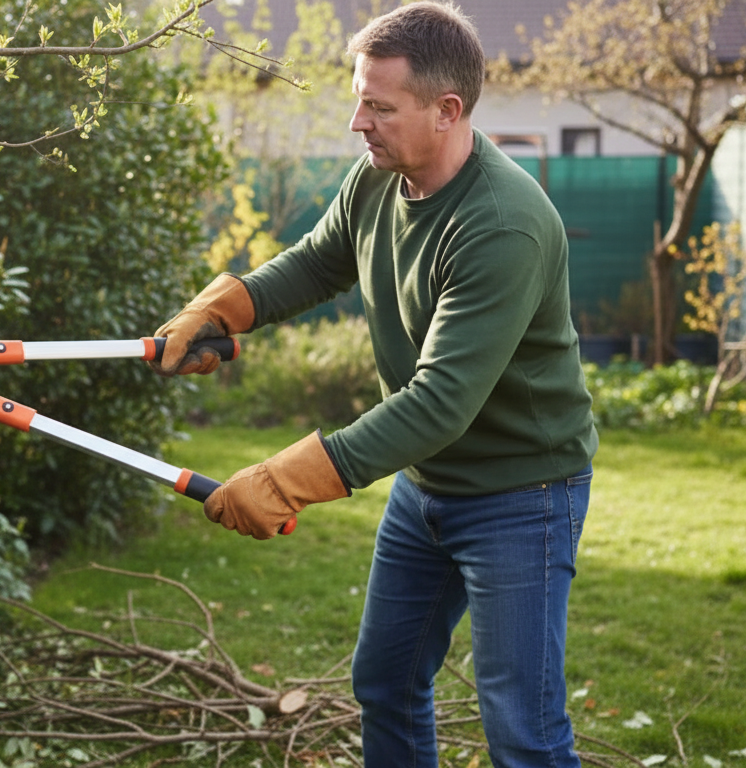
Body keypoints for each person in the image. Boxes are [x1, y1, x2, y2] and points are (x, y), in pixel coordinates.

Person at [150, 2, 599, 765]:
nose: (358, 121)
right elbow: (322, 260)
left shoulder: (500, 225)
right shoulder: (378, 178)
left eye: (379, 106)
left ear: (446, 110)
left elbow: (438, 403)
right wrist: (227, 306)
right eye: (360, 98)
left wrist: (286, 478)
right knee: (385, 683)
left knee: (522, 726)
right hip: (428, 487)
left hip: (521, 496)